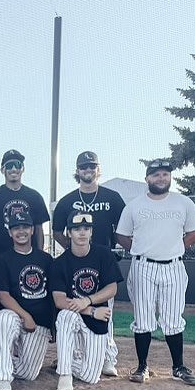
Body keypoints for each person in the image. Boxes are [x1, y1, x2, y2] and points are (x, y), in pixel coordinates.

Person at [116, 159, 195, 385]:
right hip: (143, 265)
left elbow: (193, 232)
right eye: (156, 175)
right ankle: (142, 366)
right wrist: (140, 248)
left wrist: (175, 246)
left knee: (173, 318)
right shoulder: (135, 205)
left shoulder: (183, 203)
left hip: (173, 265)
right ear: (147, 179)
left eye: (165, 174)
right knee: (143, 317)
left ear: (169, 177)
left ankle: (178, 367)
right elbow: (122, 236)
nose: (161, 178)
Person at [52, 151, 126, 376]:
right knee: (72, 310)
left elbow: (123, 228)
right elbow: (56, 232)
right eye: (83, 167)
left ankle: (107, 357)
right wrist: (75, 250)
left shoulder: (112, 197)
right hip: (75, 263)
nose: (88, 170)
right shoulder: (66, 201)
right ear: (77, 171)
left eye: (91, 166)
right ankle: (70, 355)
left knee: (106, 310)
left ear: (98, 169)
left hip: (104, 261)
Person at [51, 210, 123, 390]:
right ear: (69, 232)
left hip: (97, 321)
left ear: (91, 232)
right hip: (80, 314)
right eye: (76, 229)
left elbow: (111, 289)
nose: (82, 233)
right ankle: (65, 375)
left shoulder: (104, 254)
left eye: (86, 228)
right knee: (65, 316)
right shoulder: (59, 262)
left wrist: (87, 300)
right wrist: (89, 309)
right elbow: (59, 300)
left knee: (91, 376)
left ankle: (67, 359)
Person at [0, 211, 54, 390]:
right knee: (4, 318)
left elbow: (51, 296)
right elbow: (3, 296)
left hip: (39, 322)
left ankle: (0, 358)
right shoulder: (3, 259)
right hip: (16, 315)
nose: (21, 231)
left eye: (25, 227)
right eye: (16, 228)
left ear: (32, 230)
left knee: (29, 373)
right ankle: (2, 377)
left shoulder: (46, 260)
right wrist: (25, 316)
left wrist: (52, 326)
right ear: (10, 233)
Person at [0, 149, 50, 258]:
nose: (14, 169)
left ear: (23, 169)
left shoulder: (35, 197)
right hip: (1, 260)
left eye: (17, 165)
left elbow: (39, 229)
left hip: (29, 259)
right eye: (10, 166)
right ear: (2, 170)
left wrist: (40, 256)